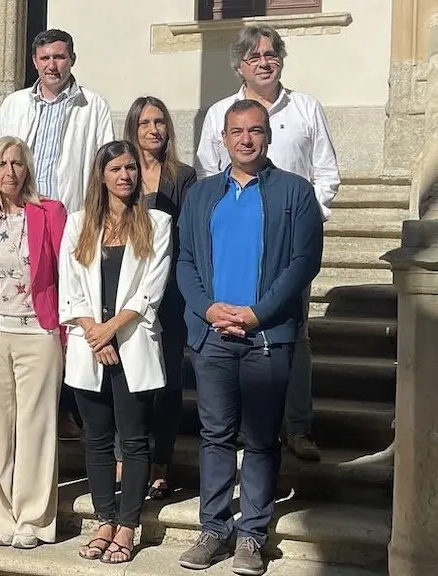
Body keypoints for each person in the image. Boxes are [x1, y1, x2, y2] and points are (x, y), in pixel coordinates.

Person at [177, 100, 323, 575]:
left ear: (267, 136)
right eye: (236, 131)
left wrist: (258, 314)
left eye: (255, 130)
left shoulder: (294, 193)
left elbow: (304, 263)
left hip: (267, 337)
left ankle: (252, 536)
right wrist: (207, 308)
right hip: (213, 335)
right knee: (216, 435)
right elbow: (185, 263)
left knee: (261, 439)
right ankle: (214, 529)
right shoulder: (202, 196)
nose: (246, 139)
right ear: (224, 138)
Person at [195, 25, 339, 462]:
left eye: (271, 54)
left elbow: (326, 173)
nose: (264, 61)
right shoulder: (221, 112)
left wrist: (308, 221)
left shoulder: (306, 109)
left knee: (293, 336)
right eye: (254, 55)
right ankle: (245, 424)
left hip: (290, 246)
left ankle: (297, 427)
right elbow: (206, 175)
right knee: (233, 335)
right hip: (234, 246)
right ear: (239, 64)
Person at [0, 28, 115, 441]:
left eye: (60, 57)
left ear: (72, 59)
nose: (52, 65)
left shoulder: (93, 106)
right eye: (45, 58)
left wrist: (95, 223)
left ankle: (69, 408)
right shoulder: (13, 105)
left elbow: (100, 168)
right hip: (19, 223)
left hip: (71, 223)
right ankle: (40, 408)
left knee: (68, 314)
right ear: (34, 61)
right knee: (35, 316)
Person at [60, 140, 171, 565]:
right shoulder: (79, 224)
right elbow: (70, 289)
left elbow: (150, 292)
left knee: (136, 440)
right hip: (92, 348)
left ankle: (128, 524)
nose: (124, 176)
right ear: (101, 176)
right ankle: (105, 518)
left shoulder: (157, 223)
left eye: (130, 168)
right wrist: (94, 335)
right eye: (115, 169)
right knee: (98, 440)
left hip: (132, 343)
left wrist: (109, 331)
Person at [0, 136, 67, 549]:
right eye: (3, 164)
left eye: (18, 164)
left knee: (36, 428)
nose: (10, 172)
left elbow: (68, 275)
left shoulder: (50, 212)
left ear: (27, 169)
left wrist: (66, 332)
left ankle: (34, 519)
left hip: (40, 333)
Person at [122, 96, 197, 499]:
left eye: (160, 122)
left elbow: (186, 236)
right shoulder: (121, 172)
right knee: (125, 377)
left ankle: (161, 461)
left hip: (168, 292)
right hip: (123, 290)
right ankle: (125, 455)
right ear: (132, 129)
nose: (154, 129)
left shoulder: (182, 176)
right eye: (145, 123)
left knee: (166, 380)